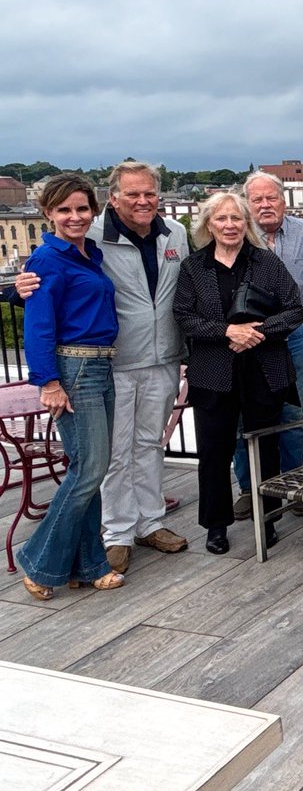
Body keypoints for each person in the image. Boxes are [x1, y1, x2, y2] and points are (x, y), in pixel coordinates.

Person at [11, 161, 191, 574]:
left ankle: (150, 521)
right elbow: (47, 281)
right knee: (113, 453)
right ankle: (118, 533)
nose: (143, 201)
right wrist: (17, 292)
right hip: (112, 360)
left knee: (149, 444)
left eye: (149, 193)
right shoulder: (88, 234)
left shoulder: (176, 234)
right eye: (132, 194)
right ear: (113, 198)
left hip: (163, 357)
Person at [174, 191, 303, 555]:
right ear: (208, 225)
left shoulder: (266, 262)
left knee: (265, 446)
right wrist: (229, 332)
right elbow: (184, 316)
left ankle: (269, 519)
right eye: (221, 219)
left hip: (263, 369)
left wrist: (254, 333)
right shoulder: (193, 267)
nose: (229, 226)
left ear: (246, 223)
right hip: (214, 372)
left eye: (236, 219)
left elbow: (294, 310)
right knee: (213, 451)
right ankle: (216, 525)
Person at [18, 174, 123, 599]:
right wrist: (48, 382)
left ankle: (88, 564)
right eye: (64, 210)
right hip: (75, 369)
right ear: (48, 213)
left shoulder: (89, 254)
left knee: (89, 470)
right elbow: (38, 326)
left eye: (82, 209)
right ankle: (39, 560)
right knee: (90, 470)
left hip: (101, 366)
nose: (74, 217)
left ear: (93, 211)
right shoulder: (47, 259)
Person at [232, 171, 303, 521]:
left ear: (284, 201)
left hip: (290, 335)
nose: (265, 205)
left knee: (291, 409)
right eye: (258, 199)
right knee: (243, 414)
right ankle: (250, 488)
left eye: (272, 198)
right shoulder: (236, 232)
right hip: (246, 337)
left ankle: (294, 483)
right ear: (248, 204)